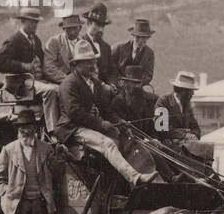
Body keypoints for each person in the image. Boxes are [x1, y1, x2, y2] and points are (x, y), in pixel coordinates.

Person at [53, 41, 157, 187]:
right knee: (107, 143)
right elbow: (74, 112)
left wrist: (119, 121)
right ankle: (135, 178)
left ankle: (117, 186)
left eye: (93, 61)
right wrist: (100, 124)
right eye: (87, 62)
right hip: (71, 128)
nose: (92, 65)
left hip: (87, 125)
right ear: (76, 65)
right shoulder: (68, 83)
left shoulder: (94, 83)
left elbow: (105, 108)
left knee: (119, 137)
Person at [0, 8, 48, 81]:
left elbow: (42, 59)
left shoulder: (36, 39)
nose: (35, 25)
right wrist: (23, 66)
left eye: (36, 22)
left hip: (37, 79)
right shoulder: (14, 40)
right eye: (31, 22)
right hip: (20, 83)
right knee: (52, 90)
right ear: (23, 21)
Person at [157, 71, 202, 143]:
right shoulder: (163, 102)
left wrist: (193, 135)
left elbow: (196, 129)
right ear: (181, 90)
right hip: (166, 147)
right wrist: (184, 134)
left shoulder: (187, 106)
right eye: (190, 91)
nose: (192, 94)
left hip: (185, 147)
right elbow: (161, 128)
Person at [112, 66, 158, 135]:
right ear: (125, 83)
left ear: (142, 83)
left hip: (151, 139)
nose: (136, 86)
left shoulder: (153, 99)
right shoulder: (118, 101)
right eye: (132, 83)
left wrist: (155, 138)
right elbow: (116, 123)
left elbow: (158, 125)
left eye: (138, 83)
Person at [43, 13, 84, 85]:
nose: (72, 32)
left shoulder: (84, 43)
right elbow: (49, 68)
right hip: (59, 82)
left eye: (74, 28)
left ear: (80, 28)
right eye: (68, 29)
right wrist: (69, 81)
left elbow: (90, 65)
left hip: (80, 82)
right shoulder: (53, 42)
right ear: (63, 29)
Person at [112, 18, 155, 85]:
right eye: (137, 37)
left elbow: (148, 75)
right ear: (133, 36)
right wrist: (117, 80)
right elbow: (110, 66)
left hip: (137, 87)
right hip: (118, 84)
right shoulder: (119, 48)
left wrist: (138, 83)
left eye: (144, 38)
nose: (140, 41)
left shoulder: (149, 53)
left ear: (148, 37)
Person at [81, 4, 115, 86]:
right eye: (98, 25)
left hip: (106, 90)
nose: (101, 29)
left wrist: (112, 83)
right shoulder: (80, 43)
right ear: (89, 23)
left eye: (103, 26)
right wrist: (102, 85)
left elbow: (111, 71)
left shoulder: (106, 47)